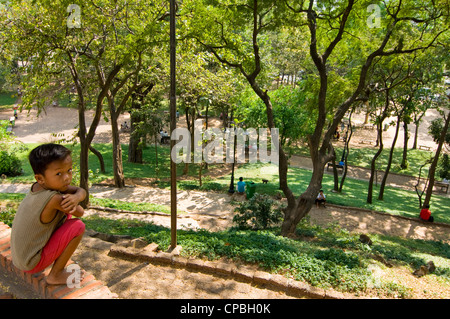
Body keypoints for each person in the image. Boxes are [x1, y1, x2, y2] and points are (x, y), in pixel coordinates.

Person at [11, 144, 86, 285]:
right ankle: (55, 276)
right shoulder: (54, 199)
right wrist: (77, 198)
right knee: (77, 226)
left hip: (21, 258)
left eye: (69, 170)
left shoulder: (38, 186)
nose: (66, 178)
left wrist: (77, 197)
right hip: (32, 263)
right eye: (59, 173)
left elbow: (80, 190)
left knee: (66, 216)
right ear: (40, 178)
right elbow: (80, 213)